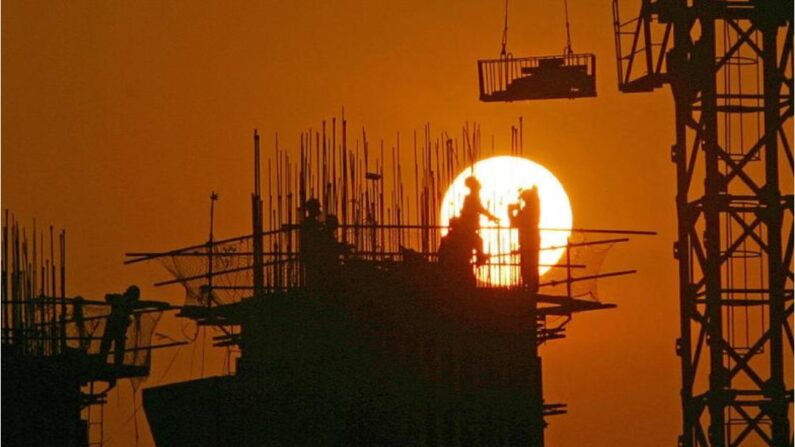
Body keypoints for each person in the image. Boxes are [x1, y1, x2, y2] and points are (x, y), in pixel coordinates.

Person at [508, 186, 541, 293]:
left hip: (527, 241)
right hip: (531, 240)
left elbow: (514, 224)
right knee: (532, 264)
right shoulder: (533, 209)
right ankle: (532, 286)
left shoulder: (527, 210)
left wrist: (510, 211)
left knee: (527, 265)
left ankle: (529, 286)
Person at [460, 176, 499, 265]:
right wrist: (491, 216)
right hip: (468, 225)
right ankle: (480, 257)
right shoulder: (472, 197)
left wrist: (491, 216)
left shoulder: (471, 197)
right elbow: (480, 208)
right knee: (477, 241)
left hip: (469, 224)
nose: (479, 190)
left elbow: (480, 209)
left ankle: (480, 257)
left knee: (477, 241)